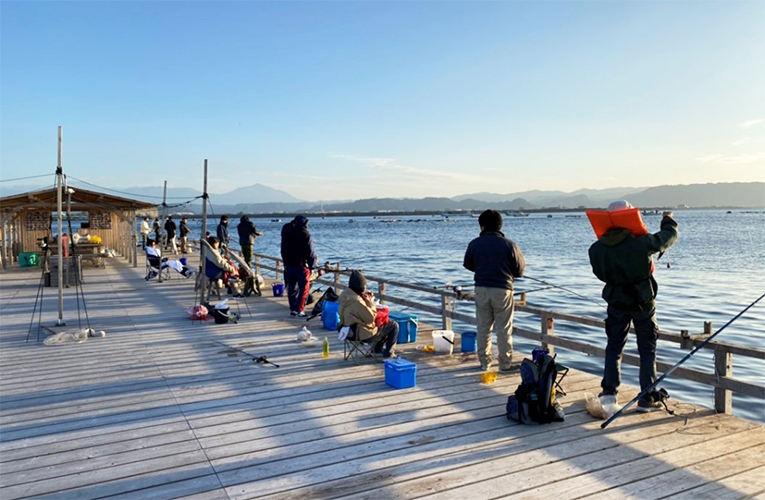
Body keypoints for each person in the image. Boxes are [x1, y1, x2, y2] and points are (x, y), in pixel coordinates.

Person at [589, 201, 678, 413]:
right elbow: (669, 237)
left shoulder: (596, 249)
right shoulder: (641, 242)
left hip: (616, 303)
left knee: (614, 348)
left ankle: (609, 394)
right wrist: (668, 219)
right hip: (643, 303)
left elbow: (600, 274)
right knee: (647, 350)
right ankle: (647, 397)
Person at [463, 209, 526, 372]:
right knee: (504, 329)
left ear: (482, 226)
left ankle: (484, 362)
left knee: (483, 328)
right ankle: (505, 364)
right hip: (503, 290)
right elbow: (519, 270)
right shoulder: (510, 245)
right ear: (499, 226)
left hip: (481, 289)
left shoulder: (474, 243)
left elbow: (469, 265)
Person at [339, 270, 399, 358]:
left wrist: (364, 299)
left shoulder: (344, 296)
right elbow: (370, 318)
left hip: (349, 331)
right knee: (393, 325)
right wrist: (369, 301)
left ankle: (377, 350)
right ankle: (388, 355)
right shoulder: (357, 302)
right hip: (363, 334)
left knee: (382, 325)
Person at [280, 215, 318, 317]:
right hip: (302, 267)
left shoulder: (287, 234)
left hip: (289, 266)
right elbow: (311, 254)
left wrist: (286, 264)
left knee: (292, 288)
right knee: (303, 289)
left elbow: (283, 251)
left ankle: (293, 309)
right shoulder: (306, 235)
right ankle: (300, 310)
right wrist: (312, 267)